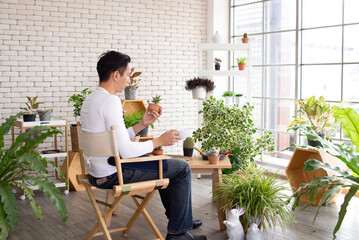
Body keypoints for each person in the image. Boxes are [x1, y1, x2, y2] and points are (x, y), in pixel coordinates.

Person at [80, 50, 206, 240]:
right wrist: (159, 141)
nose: (129, 80)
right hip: (114, 173)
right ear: (116, 75)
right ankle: (178, 232)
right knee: (181, 168)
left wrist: (142, 124)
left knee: (165, 164)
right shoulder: (111, 101)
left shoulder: (91, 100)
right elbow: (126, 150)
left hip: (97, 173)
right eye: (128, 74)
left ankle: (180, 220)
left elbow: (113, 141)